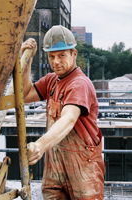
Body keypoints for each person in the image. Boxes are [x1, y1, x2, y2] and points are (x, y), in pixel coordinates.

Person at [21, 25, 105, 200]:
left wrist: (40, 145)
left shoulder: (79, 84)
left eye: (61, 55)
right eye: (51, 56)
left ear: (74, 54)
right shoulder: (52, 80)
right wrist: (26, 60)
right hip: (55, 166)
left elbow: (69, 118)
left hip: (83, 168)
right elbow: (24, 94)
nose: (56, 62)